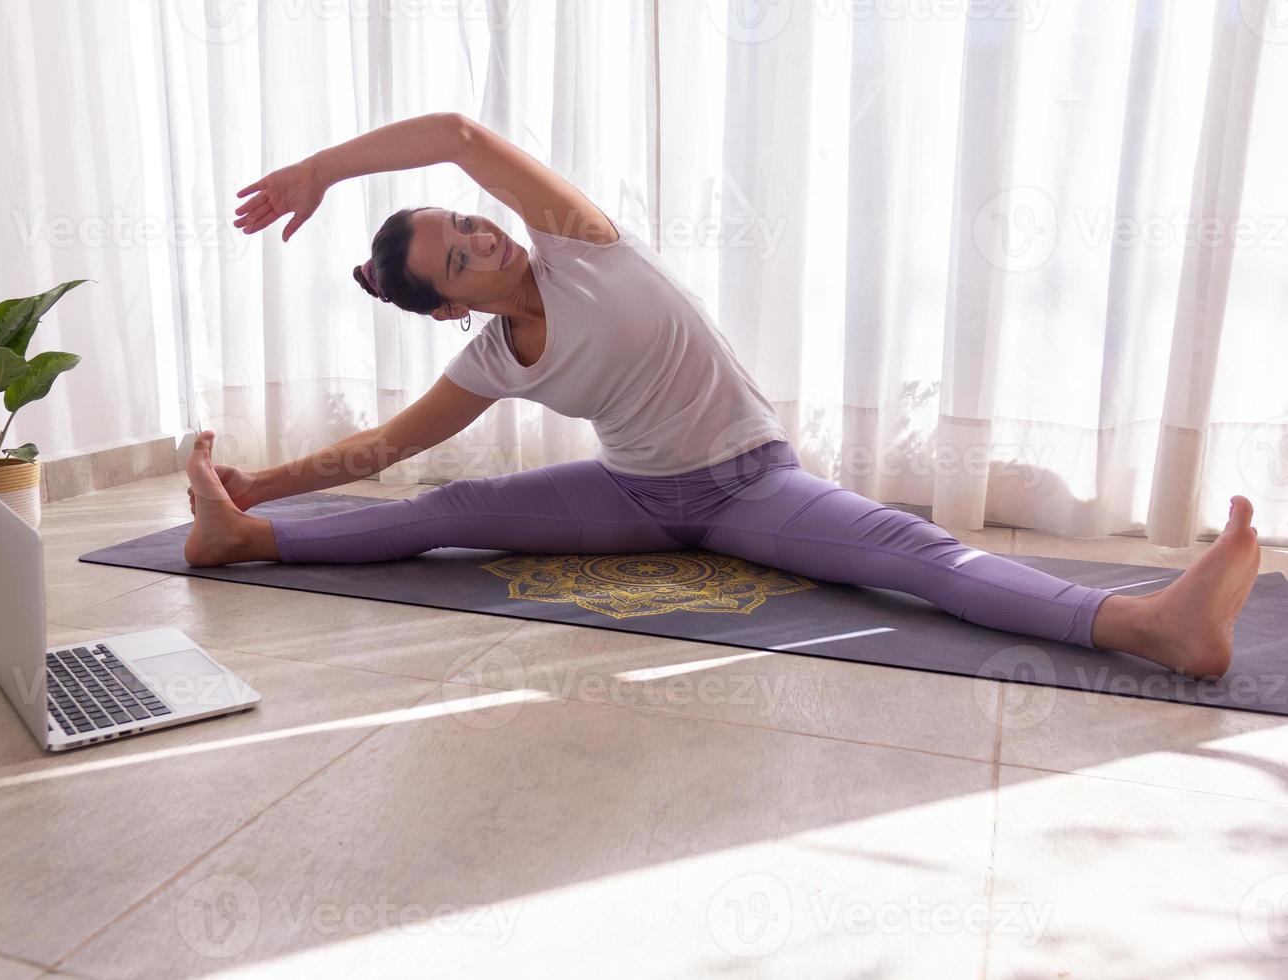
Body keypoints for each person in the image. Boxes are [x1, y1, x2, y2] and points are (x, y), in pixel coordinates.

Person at [184, 111, 1261, 679]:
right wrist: (255, 488)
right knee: (442, 516)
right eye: (459, 259)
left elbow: (460, 134)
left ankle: (1149, 624)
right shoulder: (490, 361)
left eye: (465, 223)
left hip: (752, 487)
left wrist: (321, 169)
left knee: (923, 560)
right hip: (634, 493)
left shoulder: (580, 244)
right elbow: (376, 450)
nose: (481, 237)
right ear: (444, 310)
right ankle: (243, 543)